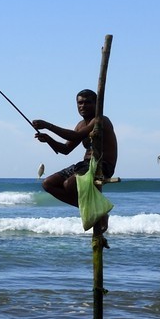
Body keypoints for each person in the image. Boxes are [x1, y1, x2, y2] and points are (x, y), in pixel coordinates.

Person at [33, 88, 118, 232]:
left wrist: (48, 126)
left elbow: (74, 137)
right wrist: (48, 139)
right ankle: (98, 210)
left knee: (69, 183)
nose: (82, 106)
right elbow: (65, 149)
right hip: (85, 164)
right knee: (48, 183)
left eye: (87, 103)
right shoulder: (80, 124)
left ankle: (99, 211)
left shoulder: (100, 120)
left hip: (102, 165)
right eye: (80, 103)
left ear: (97, 104)